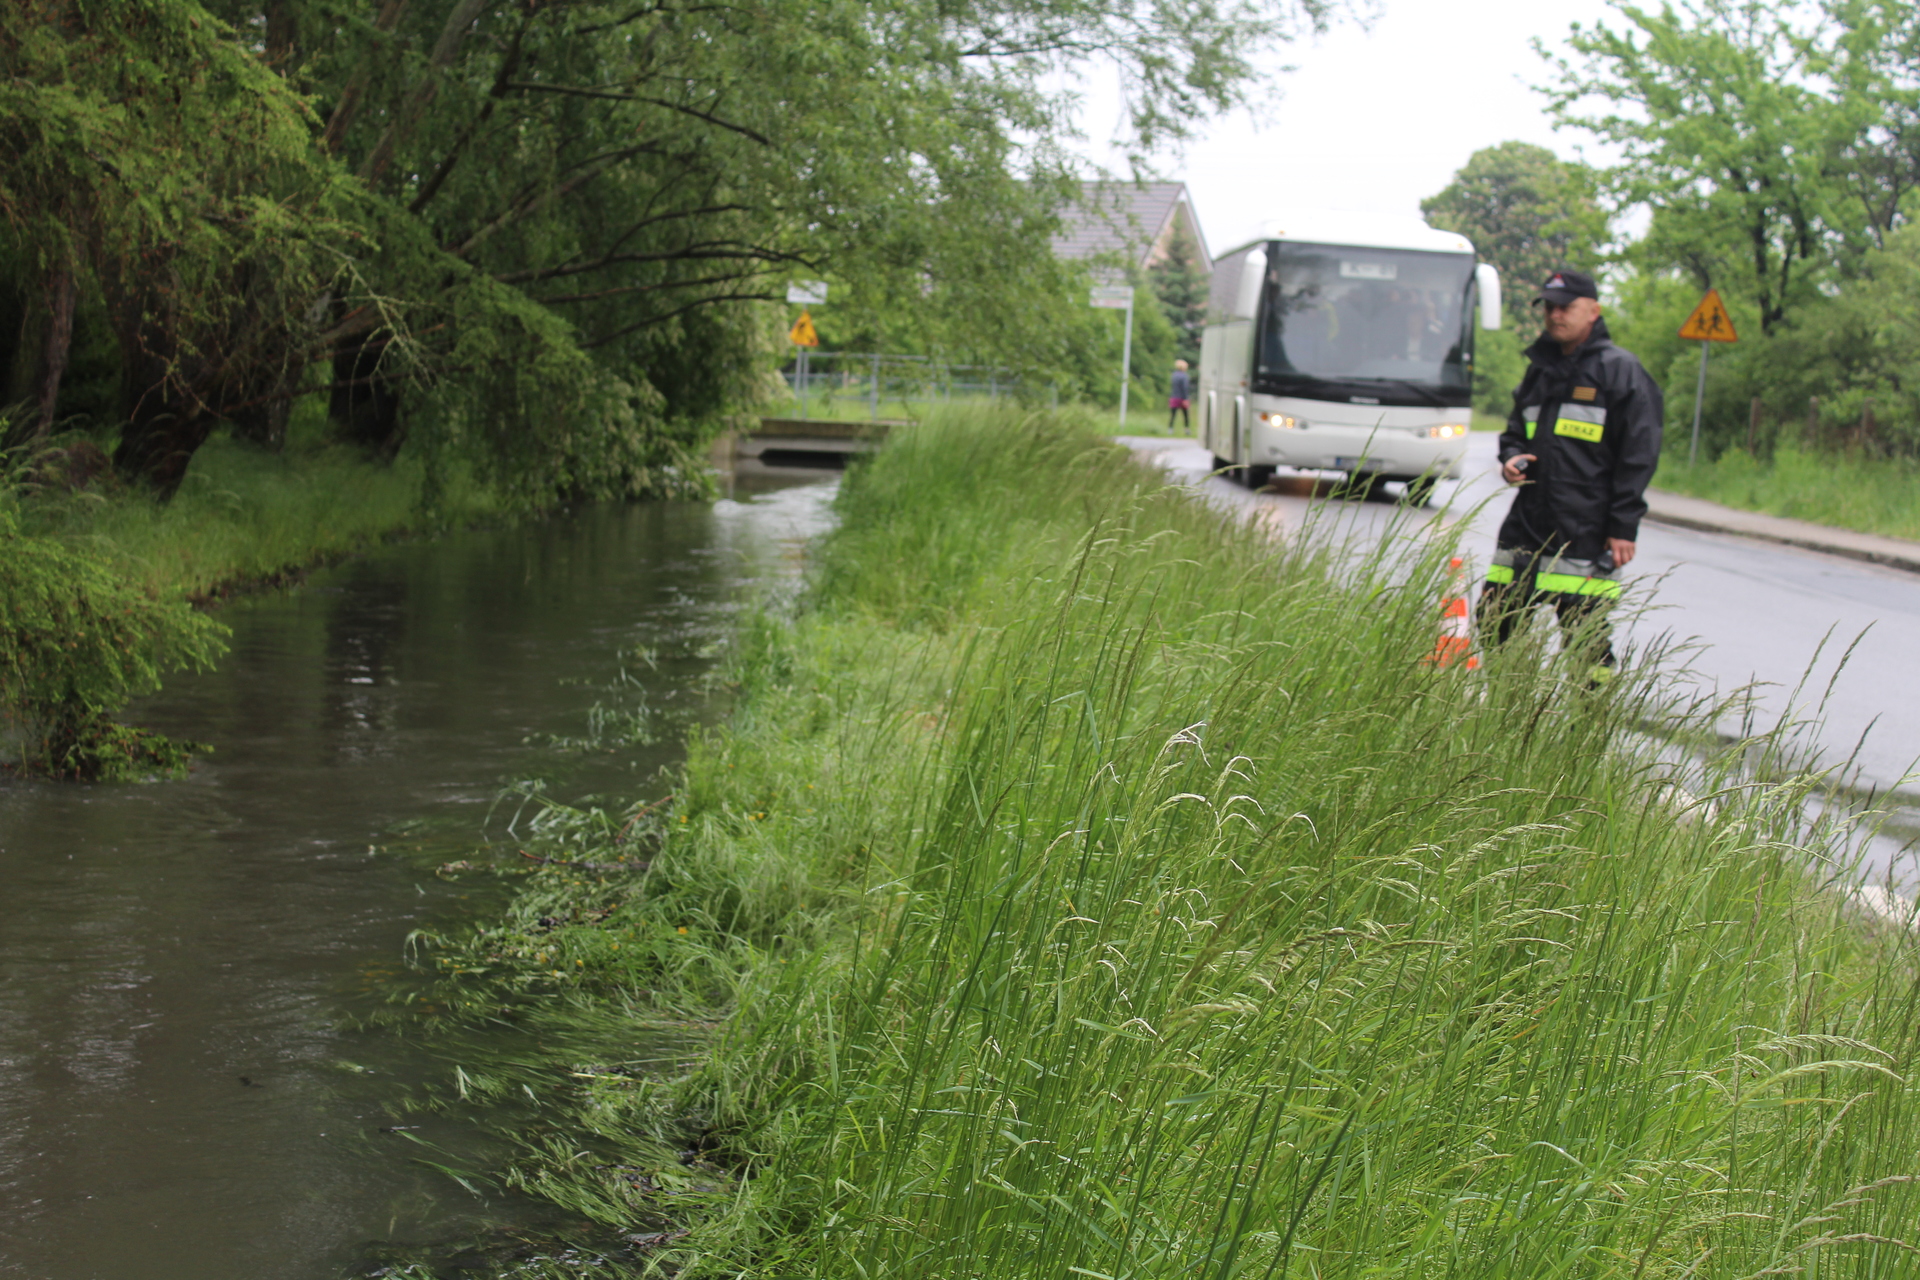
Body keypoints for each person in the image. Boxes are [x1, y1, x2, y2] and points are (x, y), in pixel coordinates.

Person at [1479, 268, 1663, 679]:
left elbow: (1639, 453)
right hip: (1526, 524)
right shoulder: (1540, 370)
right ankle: (1507, 721)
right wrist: (1510, 458)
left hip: (1586, 530)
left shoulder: (1620, 372)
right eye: (1549, 307)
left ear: (1593, 311)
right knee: (1495, 623)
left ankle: (1589, 730)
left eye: (1566, 307)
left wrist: (1623, 525)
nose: (1555, 315)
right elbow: (1514, 432)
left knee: (1586, 644)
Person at [1168, 359, 1192, 432]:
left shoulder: (1174, 375)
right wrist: (1185, 399)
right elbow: (1185, 388)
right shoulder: (1184, 376)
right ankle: (1187, 429)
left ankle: (1170, 429)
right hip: (1182, 398)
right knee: (1185, 415)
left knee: (1173, 414)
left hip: (1174, 397)